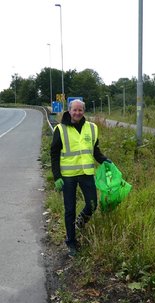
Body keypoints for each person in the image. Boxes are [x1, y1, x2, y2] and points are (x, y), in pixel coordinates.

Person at [50, 99, 110, 257]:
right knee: (69, 209)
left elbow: (94, 150)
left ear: (84, 111)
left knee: (92, 204)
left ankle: (79, 223)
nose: (77, 113)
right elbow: (54, 154)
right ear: (69, 110)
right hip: (68, 176)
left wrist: (104, 160)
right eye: (74, 110)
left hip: (86, 174)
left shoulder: (92, 128)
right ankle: (71, 242)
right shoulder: (60, 129)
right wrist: (57, 177)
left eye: (80, 110)